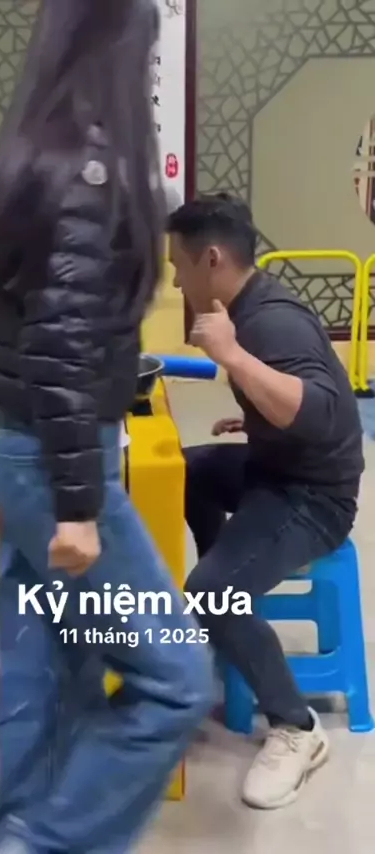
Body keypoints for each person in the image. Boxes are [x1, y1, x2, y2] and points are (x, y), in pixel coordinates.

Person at [0, 2, 214, 852]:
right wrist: (76, 505)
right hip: (61, 464)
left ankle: (14, 835)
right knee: (175, 678)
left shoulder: (25, 154)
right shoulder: (92, 170)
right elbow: (63, 344)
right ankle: (36, 843)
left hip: (25, 446)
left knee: (47, 670)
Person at [167, 194, 364, 810]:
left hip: (313, 498)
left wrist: (231, 357)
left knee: (209, 591)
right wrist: (257, 414)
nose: (175, 281)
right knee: (183, 471)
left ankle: (296, 728)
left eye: (178, 266)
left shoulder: (269, 321)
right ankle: (226, 605)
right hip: (274, 466)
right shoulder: (248, 305)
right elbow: (297, 397)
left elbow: (323, 413)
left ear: (212, 259)